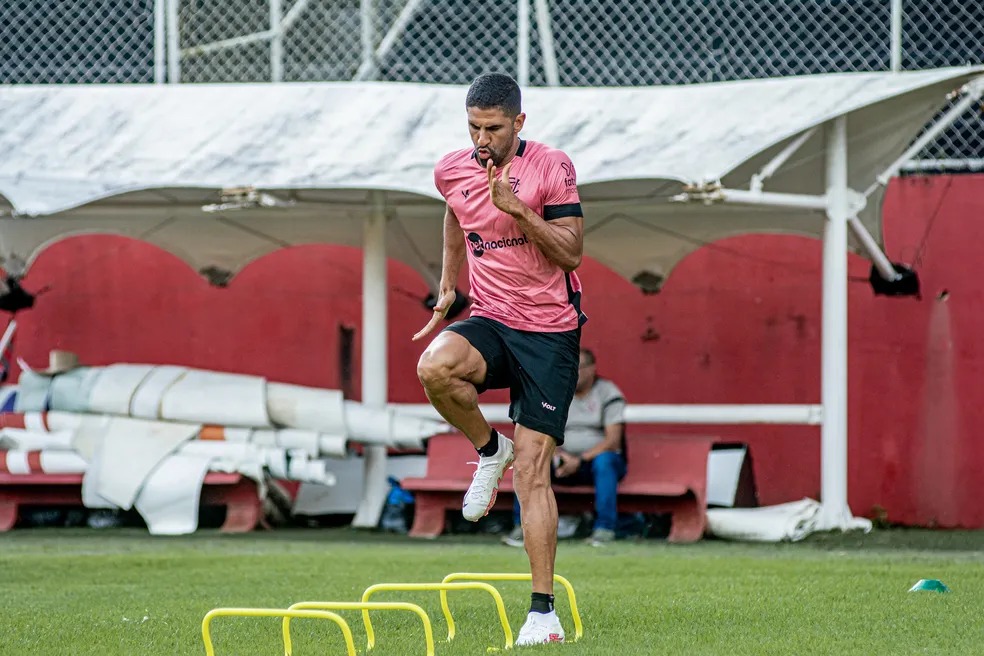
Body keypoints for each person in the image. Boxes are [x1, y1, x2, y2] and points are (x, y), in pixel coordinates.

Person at [413, 72, 585, 646]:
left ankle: (542, 614)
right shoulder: (452, 168)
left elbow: (571, 251)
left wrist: (517, 210)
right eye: (473, 128)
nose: (481, 139)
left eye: (492, 128)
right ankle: (491, 450)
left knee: (534, 473)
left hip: (549, 334)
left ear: (518, 122)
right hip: (491, 316)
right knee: (434, 368)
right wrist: (446, 283)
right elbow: (454, 212)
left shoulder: (551, 167)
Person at [502, 347, 627, 548]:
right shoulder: (555, 392)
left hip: (595, 461)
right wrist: (557, 455)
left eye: (578, 367)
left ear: (592, 368)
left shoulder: (607, 392)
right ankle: (522, 528)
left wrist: (581, 459)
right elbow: (540, 431)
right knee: (529, 461)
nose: (572, 371)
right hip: (558, 458)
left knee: (605, 462)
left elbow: (613, 440)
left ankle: (604, 529)